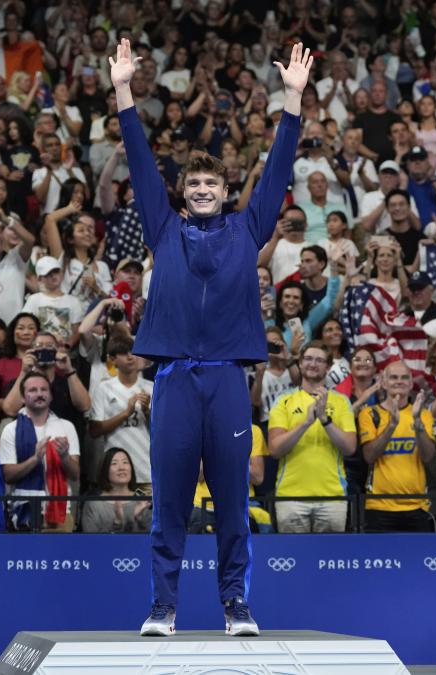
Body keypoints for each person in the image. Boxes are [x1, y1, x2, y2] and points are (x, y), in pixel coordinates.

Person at [113, 37, 309, 637]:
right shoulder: (162, 226)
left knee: (231, 500)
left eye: (211, 185)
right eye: (193, 184)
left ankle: (236, 606)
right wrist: (122, 89)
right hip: (172, 376)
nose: (201, 190)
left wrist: (293, 101)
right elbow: (141, 159)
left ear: (225, 193)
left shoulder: (249, 230)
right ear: (183, 191)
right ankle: (162, 609)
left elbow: (276, 170)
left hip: (227, 378)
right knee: (169, 500)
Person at [268, 343, 356, 533]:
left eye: (319, 360)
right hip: (290, 497)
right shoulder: (282, 400)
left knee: (328, 560)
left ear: (328, 366)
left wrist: (325, 420)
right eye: (308, 359)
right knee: (294, 560)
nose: (313, 364)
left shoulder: (341, 401)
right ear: (300, 363)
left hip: (333, 497)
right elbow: (275, 449)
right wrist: (306, 422)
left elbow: (349, 448)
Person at [357, 360, 436, 531]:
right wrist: (391, 426)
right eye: (393, 377)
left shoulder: (423, 415)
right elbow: (369, 455)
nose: (399, 381)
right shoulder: (369, 414)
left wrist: (417, 423)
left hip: (417, 505)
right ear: (383, 383)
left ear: (410, 383)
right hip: (379, 506)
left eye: (404, 377)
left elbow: (428, 456)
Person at [0, 372, 81, 531]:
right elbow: (8, 476)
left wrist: (64, 457)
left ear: (50, 396)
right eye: (33, 390)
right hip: (24, 510)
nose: (39, 394)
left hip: (59, 510)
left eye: (44, 390)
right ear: (22, 398)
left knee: (61, 555)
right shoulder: (11, 429)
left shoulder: (66, 427)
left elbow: (75, 474)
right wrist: (35, 459)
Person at [87, 334, 153, 488]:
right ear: (112, 359)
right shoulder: (103, 388)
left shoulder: (152, 387)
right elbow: (94, 431)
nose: (130, 357)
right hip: (114, 473)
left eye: (133, 351)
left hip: (147, 470)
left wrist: (147, 412)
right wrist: (125, 413)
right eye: (124, 353)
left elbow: (164, 432)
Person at [80, 447, 151, 533]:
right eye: (114, 463)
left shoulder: (143, 501)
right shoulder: (94, 504)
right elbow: (90, 542)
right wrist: (117, 523)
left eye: (125, 462)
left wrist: (139, 518)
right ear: (105, 470)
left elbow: (156, 539)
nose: (121, 468)